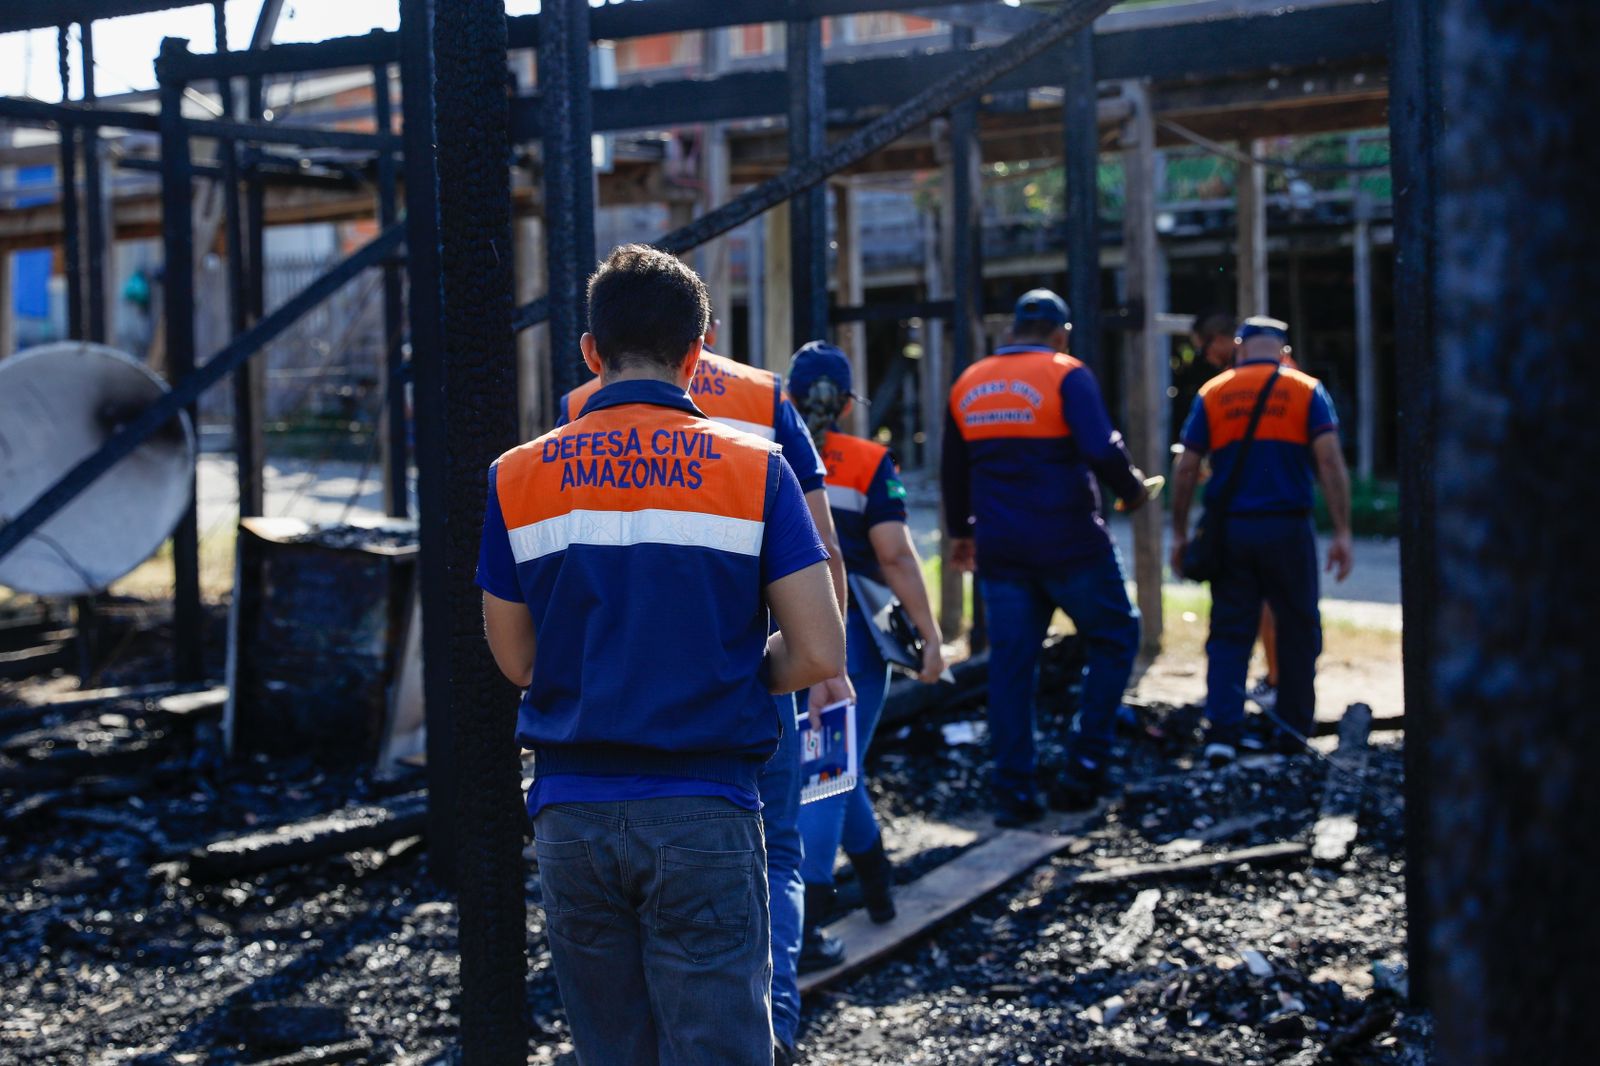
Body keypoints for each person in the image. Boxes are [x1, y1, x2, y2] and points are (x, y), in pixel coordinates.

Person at [477, 245, 845, 1065]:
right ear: (697, 351)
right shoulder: (757, 471)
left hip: (572, 815)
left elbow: (518, 662)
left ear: (590, 351)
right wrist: (732, 673)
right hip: (703, 807)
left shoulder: (515, 477)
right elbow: (820, 650)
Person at [557, 319, 852, 1063]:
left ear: (593, 347)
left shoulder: (568, 419)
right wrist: (824, 669)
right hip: (732, 705)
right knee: (775, 854)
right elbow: (822, 548)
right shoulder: (765, 399)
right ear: (701, 340)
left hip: (597, 728)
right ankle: (773, 1023)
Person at [941, 289, 1150, 826]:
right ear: (1061, 335)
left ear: (1012, 332)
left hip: (1002, 554)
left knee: (1011, 668)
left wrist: (961, 532)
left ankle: (1015, 793)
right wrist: (1132, 491)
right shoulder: (1065, 373)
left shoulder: (969, 383)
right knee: (1116, 635)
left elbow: (953, 470)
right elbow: (1101, 448)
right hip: (1071, 547)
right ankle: (1084, 767)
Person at [786, 341, 946, 966]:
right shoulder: (868, 462)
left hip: (782, 627)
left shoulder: (769, 449)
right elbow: (896, 556)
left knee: (836, 758)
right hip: (850, 632)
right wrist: (930, 637)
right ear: (849, 405)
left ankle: (879, 888)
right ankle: (806, 924)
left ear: (789, 398)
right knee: (830, 765)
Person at [1168, 316, 1354, 763]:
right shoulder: (1306, 390)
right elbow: (1329, 461)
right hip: (1288, 530)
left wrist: (1179, 532)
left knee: (1230, 632)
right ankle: (1292, 733)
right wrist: (1343, 530)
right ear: (1283, 350)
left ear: (1241, 346)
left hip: (1232, 532)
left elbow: (1187, 467)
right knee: (1297, 630)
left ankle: (1222, 733)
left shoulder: (1214, 392)